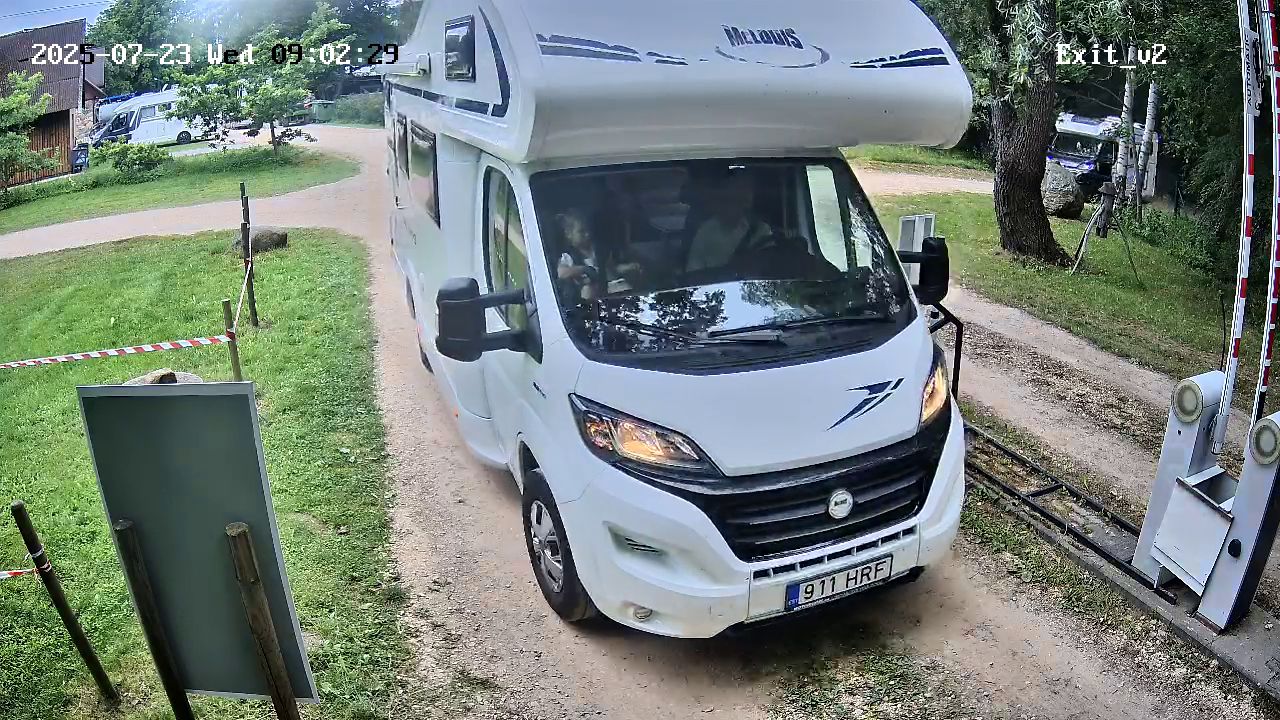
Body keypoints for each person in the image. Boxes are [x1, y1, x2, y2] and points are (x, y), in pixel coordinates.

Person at [685, 171, 772, 272]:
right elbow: (694, 272)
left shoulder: (762, 230)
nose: (732, 205)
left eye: (737, 199)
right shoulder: (705, 232)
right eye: (728, 199)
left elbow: (770, 269)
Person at [556, 210, 603, 302]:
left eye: (588, 230)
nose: (587, 234)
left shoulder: (598, 251)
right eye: (582, 231)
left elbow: (610, 268)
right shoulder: (568, 256)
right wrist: (584, 269)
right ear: (569, 234)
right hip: (584, 298)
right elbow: (561, 273)